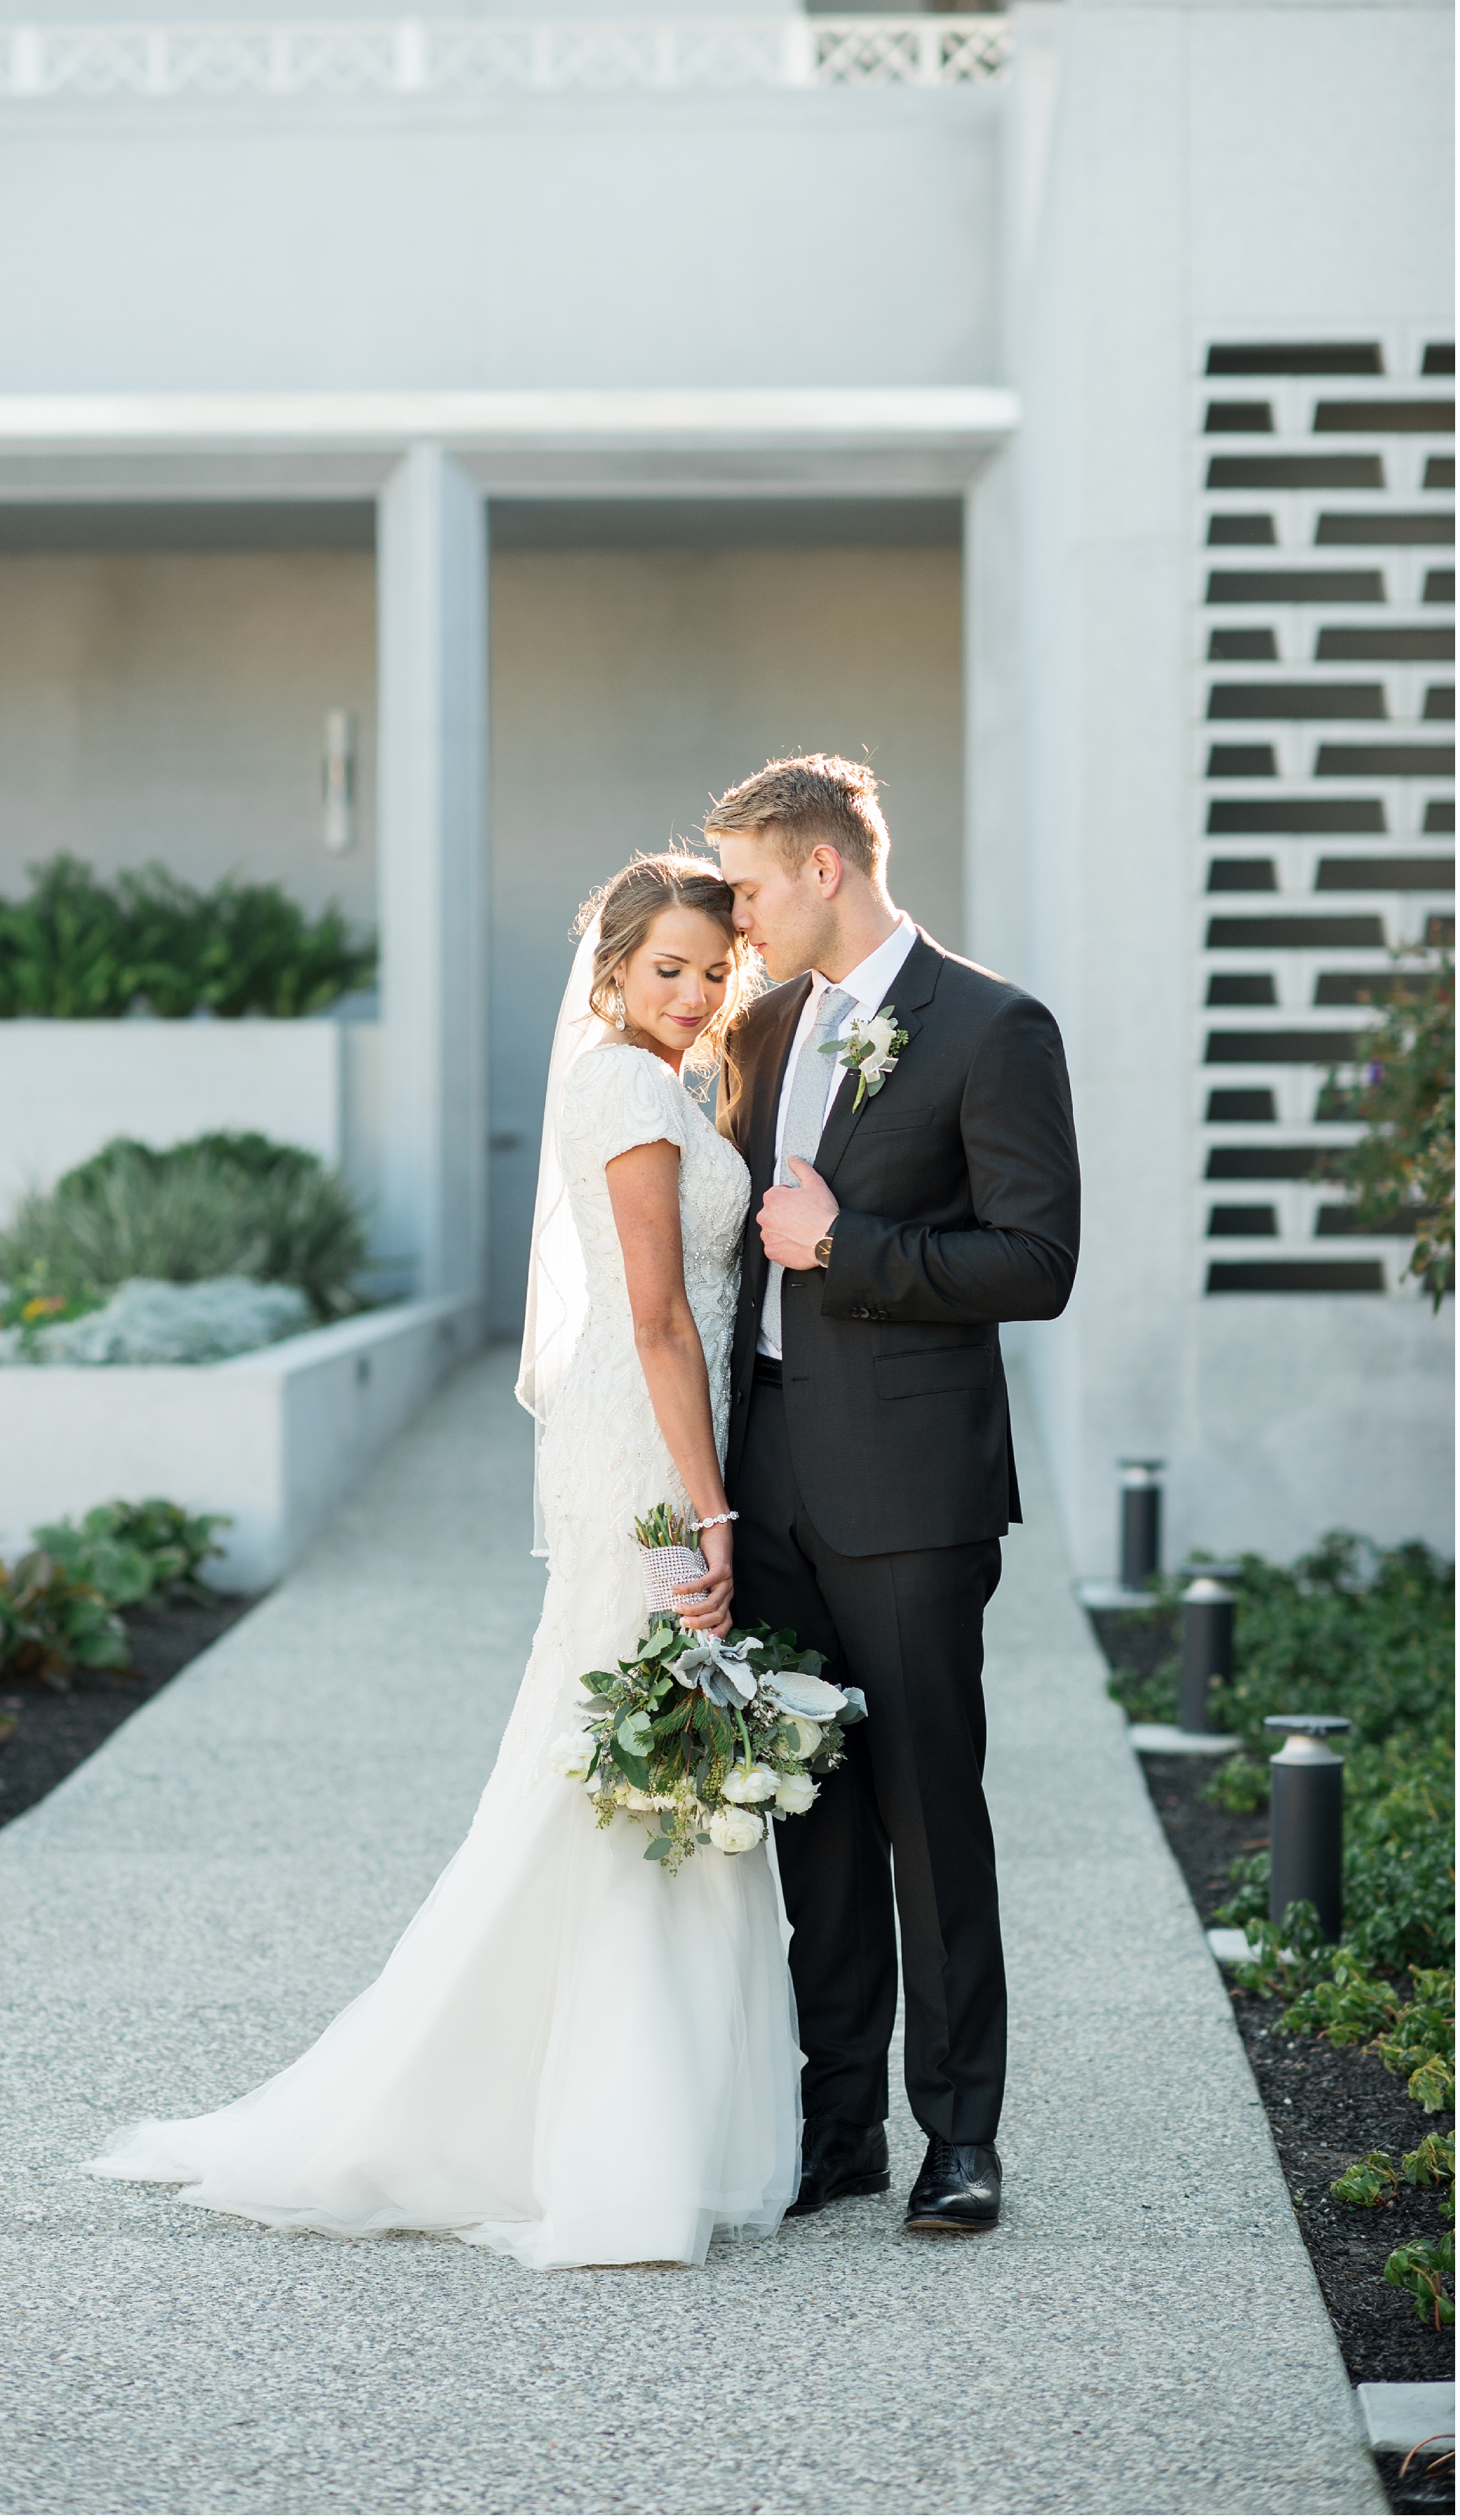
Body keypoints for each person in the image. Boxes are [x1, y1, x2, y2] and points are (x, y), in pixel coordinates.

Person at [84, 854, 801, 2270]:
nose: (695, 993)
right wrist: (715, 1511)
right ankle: (589, 2139)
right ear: (608, 972)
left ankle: (652, 2120)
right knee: (626, 1770)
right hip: (650, 1455)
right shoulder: (617, 1085)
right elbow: (658, 1320)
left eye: (716, 971)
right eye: (668, 968)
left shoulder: (673, 1085)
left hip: (670, 1438)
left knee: (631, 1766)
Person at [708, 755, 1080, 2235]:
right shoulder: (758, 1029)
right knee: (804, 1809)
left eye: (743, 886)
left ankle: (961, 2137)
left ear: (819, 869)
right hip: (770, 1471)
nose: (731, 916)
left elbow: (1033, 1264)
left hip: (913, 1488)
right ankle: (835, 2124)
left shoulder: (993, 1027)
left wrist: (843, 1246)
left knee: (927, 1809)